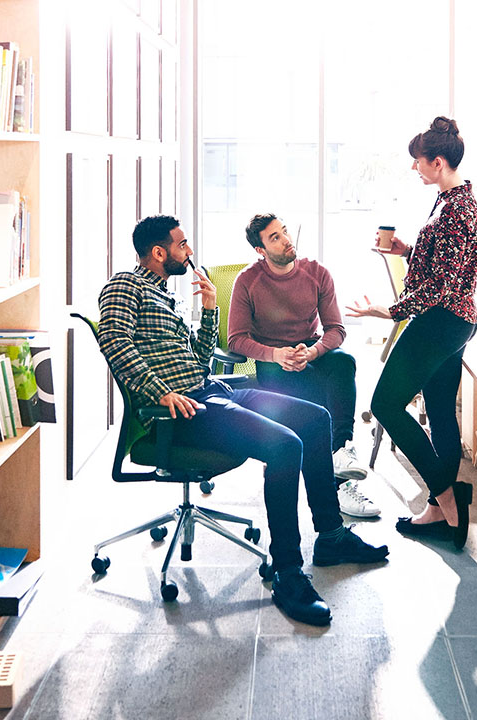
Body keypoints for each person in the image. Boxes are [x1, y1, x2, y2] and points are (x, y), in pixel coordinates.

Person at [97, 214, 389, 627]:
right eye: (182, 245)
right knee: (286, 445)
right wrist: (159, 391)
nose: (189, 251)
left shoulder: (164, 296)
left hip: (211, 388)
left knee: (316, 419)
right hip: (181, 410)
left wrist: (210, 311)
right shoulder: (125, 286)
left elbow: (198, 361)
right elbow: (113, 339)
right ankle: (289, 572)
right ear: (158, 253)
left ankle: (331, 535)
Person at [346, 116, 477, 550]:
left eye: (418, 162)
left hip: (441, 321)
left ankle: (449, 500)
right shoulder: (453, 198)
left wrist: (387, 311)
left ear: (438, 162)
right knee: (440, 409)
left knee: (384, 403)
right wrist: (409, 249)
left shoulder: (457, 209)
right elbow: (445, 259)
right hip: (454, 320)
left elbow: (443, 284)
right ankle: (440, 512)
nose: (414, 168)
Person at [227, 213, 380, 519]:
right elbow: (236, 340)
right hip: (272, 361)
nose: (286, 240)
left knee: (342, 363)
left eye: (284, 232)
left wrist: (314, 352)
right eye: (275, 238)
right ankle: (334, 487)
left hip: (310, 351)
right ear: (261, 250)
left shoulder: (316, 273)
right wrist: (276, 355)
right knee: (313, 401)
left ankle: (341, 454)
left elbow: (336, 329)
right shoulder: (247, 281)